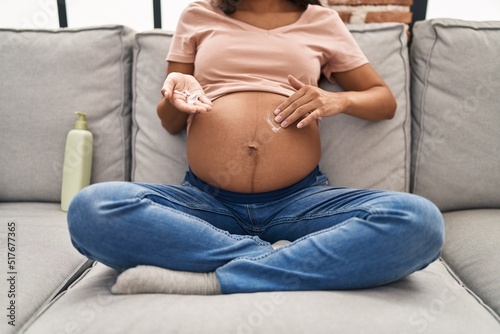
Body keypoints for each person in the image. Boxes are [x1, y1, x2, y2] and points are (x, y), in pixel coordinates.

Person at [67, 0, 444, 295]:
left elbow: (383, 100)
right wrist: (176, 92)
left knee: (419, 221)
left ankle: (217, 278)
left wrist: (336, 102)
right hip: (205, 204)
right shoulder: (199, 15)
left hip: (301, 203)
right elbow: (169, 121)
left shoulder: (322, 21)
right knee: (91, 209)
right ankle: (277, 260)